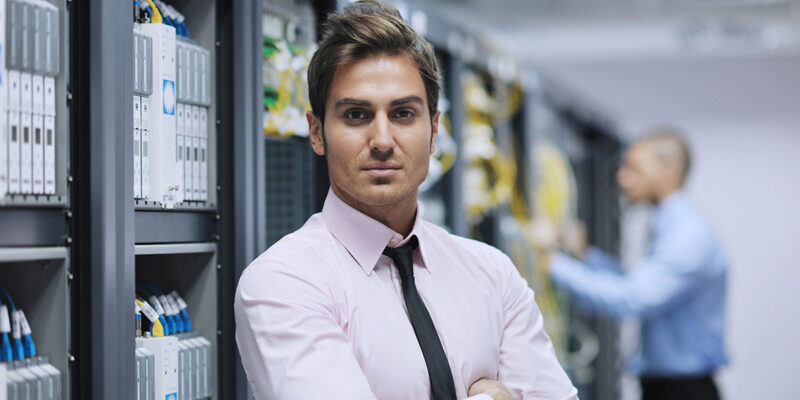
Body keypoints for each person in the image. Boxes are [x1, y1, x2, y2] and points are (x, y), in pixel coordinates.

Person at [234, 1, 578, 399]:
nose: (382, 141)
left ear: (434, 132)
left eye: (402, 114)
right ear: (316, 132)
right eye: (356, 115)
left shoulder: (492, 276)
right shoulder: (283, 283)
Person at [548, 130, 728, 400]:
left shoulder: (688, 236)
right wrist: (585, 257)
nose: (622, 177)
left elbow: (633, 298)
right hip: (669, 386)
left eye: (634, 168)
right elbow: (635, 283)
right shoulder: (671, 226)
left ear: (670, 173)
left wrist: (551, 262)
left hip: (682, 391)